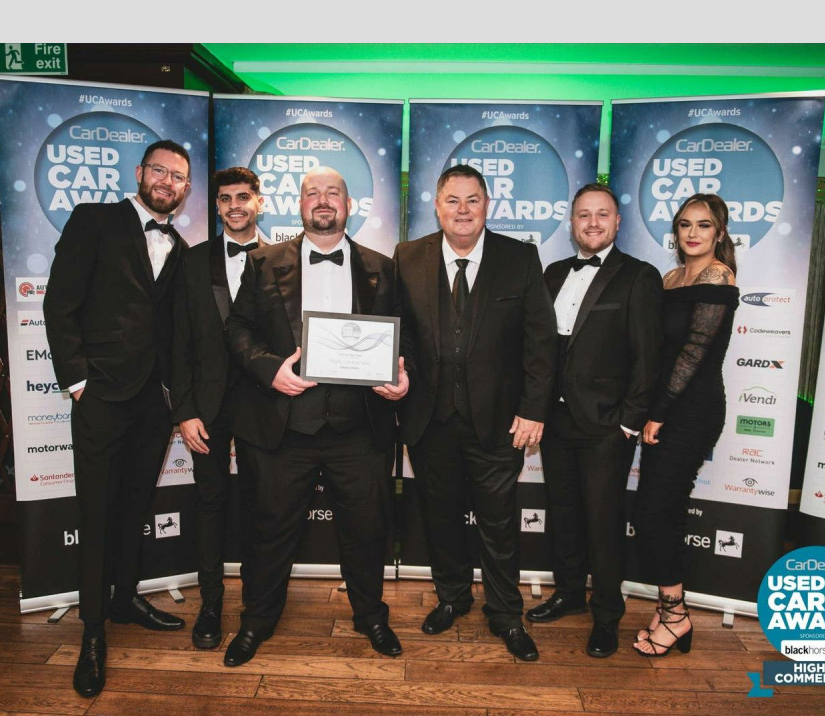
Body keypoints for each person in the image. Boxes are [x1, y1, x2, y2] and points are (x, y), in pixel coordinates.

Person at [225, 166, 408, 666]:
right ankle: (256, 620)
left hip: (360, 427)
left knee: (367, 531)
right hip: (283, 425)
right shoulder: (262, 263)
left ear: (349, 205)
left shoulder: (382, 267)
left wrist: (402, 375)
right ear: (300, 204)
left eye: (333, 193)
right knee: (269, 532)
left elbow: (404, 336)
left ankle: (371, 616)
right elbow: (237, 329)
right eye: (313, 193)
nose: (323, 201)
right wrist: (270, 371)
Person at [44, 140, 191, 697]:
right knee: (98, 511)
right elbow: (59, 304)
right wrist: (78, 382)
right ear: (139, 172)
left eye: (177, 176)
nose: (167, 182)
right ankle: (92, 631)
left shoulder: (181, 246)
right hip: (101, 396)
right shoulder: (95, 220)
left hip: (154, 401)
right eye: (159, 171)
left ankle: (125, 598)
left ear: (185, 189)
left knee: (135, 506)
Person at [395, 164, 557, 662]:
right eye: (453, 200)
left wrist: (534, 409)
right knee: (440, 517)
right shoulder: (408, 256)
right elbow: (399, 331)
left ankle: (506, 613)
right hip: (430, 418)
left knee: (499, 524)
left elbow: (540, 341)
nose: (462, 210)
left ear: (487, 206)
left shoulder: (520, 258)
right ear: (436, 206)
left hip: (499, 422)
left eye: (472, 200)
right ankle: (452, 597)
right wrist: (396, 372)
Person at [528, 183, 662, 658]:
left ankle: (607, 616)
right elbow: (538, 346)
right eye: (583, 215)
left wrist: (628, 422)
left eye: (602, 214)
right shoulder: (552, 273)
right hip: (555, 421)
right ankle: (568, 593)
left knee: (603, 525)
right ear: (571, 223)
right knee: (564, 514)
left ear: (617, 222)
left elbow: (648, 357)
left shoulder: (639, 276)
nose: (592, 223)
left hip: (606, 426)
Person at [631, 193, 739, 657]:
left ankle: (676, 615)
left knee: (656, 511)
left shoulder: (718, 275)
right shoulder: (671, 278)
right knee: (662, 510)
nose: (693, 233)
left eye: (704, 225)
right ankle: (669, 610)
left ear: (720, 232)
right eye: (685, 224)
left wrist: (658, 412)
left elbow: (694, 351)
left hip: (692, 410)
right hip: (664, 406)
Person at [171, 167, 266, 650]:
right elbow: (177, 340)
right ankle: (210, 604)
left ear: (259, 201)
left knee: (259, 504)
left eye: (243, 197)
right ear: (216, 206)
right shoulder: (192, 261)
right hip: (206, 408)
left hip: (265, 405)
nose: (234, 206)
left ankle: (256, 603)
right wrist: (184, 410)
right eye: (226, 198)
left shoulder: (283, 258)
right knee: (209, 503)